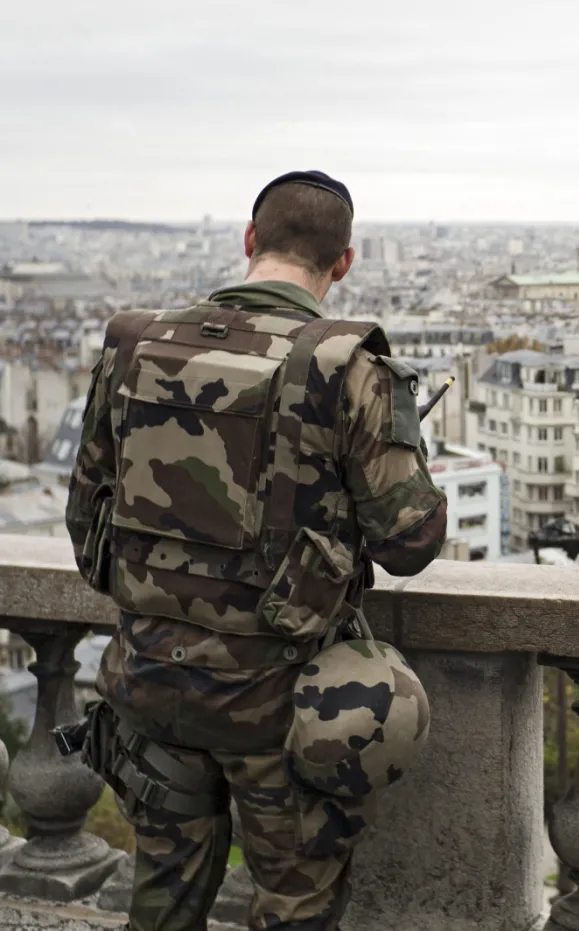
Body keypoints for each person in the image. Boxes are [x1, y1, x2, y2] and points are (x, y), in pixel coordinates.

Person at [65, 170, 446, 931]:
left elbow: (88, 527)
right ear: (344, 262)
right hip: (279, 702)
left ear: (248, 241)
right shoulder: (347, 366)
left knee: (162, 902)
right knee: (295, 905)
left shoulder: (137, 345)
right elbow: (409, 542)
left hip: (152, 683)